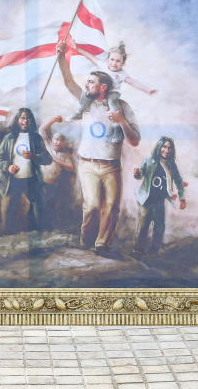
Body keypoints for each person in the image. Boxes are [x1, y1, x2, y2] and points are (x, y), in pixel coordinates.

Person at [56, 40, 140, 255]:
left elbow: (135, 140)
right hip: (87, 164)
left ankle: (102, 244)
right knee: (92, 206)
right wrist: (61, 56)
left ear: (103, 87)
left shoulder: (122, 107)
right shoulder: (87, 102)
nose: (87, 86)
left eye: (91, 82)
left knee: (111, 207)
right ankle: (86, 239)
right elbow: (68, 81)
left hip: (111, 166)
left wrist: (121, 121)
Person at [0, 108, 52, 235]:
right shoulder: (9, 138)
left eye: (28, 118)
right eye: (22, 118)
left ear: (31, 121)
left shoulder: (36, 138)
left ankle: (38, 236)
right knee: (9, 208)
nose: (25, 121)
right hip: (13, 180)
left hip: (31, 178)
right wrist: (8, 166)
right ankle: (8, 236)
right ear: (17, 120)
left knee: (37, 208)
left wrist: (34, 156)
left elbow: (48, 159)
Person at [132, 136, 186, 256]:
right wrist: (137, 173)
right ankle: (138, 251)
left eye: (169, 148)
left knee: (159, 227)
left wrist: (182, 197)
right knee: (144, 226)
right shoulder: (150, 161)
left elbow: (178, 181)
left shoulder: (171, 165)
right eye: (164, 147)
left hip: (159, 201)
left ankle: (153, 252)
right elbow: (140, 174)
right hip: (146, 200)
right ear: (159, 147)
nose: (167, 150)